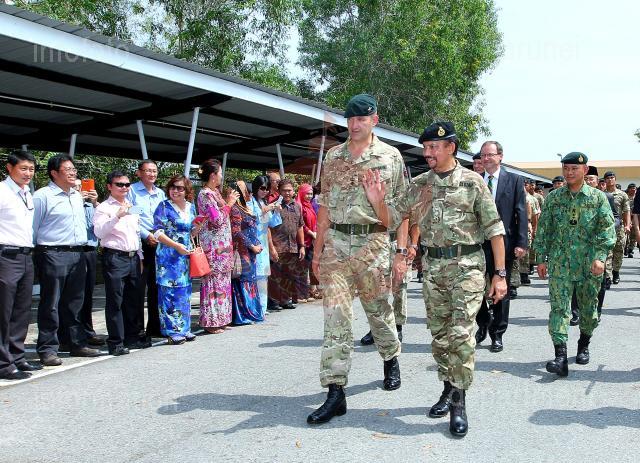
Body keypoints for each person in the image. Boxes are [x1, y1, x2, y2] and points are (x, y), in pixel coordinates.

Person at [362, 121, 506, 438]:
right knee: (440, 337)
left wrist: (500, 274)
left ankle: (459, 403)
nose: (427, 153)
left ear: (450, 148)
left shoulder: (472, 182)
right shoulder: (419, 184)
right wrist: (376, 200)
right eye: (425, 147)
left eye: (433, 147)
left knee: (461, 335)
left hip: (467, 268)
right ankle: (448, 387)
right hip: (433, 269)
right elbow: (392, 217)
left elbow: (495, 230)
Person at [307, 94, 407, 426]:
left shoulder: (390, 157)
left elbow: (401, 212)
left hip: (373, 244)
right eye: (350, 119)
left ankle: (390, 357)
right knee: (335, 317)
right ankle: (335, 390)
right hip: (336, 245)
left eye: (361, 119)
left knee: (379, 311)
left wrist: (401, 253)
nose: (354, 124)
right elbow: (324, 207)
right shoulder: (333, 156)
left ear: (374, 120)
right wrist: (317, 252)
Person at [533, 153, 616, 377]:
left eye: (574, 168)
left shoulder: (597, 198)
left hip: (589, 265)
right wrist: (540, 258)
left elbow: (607, 230)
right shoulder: (554, 198)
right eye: (566, 168)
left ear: (585, 170)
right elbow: (544, 229)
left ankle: (584, 344)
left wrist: (600, 257)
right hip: (560, 264)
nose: (569, 172)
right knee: (559, 309)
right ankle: (560, 357)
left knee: (588, 310)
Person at [33, 155, 101, 366]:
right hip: (53, 253)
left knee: (75, 302)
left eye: (74, 169)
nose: (73, 173)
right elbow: (32, 228)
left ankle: (75, 343)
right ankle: (47, 348)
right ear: (54, 173)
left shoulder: (76, 196)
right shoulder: (42, 196)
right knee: (51, 303)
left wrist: (94, 202)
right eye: (68, 169)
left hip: (77, 253)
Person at [474, 141, 528, 353]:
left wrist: (522, 242)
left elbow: (520, 212)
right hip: (476, 245)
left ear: (500, 156)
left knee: (500, 289)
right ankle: (483, 321)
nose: (486, 158)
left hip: (503, 244)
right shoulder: (475, 180)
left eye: (490, 155)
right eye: (483, 155)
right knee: (474, 288)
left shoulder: (514, 180)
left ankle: (497, 333)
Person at [94, 170, 146, 356]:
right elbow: (99, 232)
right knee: (115, 300)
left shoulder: (131, 206)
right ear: (109, 186)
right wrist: (117, 216)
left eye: (127, 184)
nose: (124, 188)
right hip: (115, 257)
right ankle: (115, 341)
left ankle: (132, 337)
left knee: (133, 299)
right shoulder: (104, 208)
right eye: (119, 184)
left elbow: (136, 233)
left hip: (133, 257)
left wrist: (140, 256)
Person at [0, 150, 41, 380]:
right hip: (5, 255)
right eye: (23, 168)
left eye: (31, 169)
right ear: (9, 168)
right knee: (3, 311)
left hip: (25, 255)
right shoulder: (2, 191)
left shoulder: (26, 193)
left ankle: (16, 356)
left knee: (21, 309)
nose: (28, 173)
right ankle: (3, 364)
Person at [58, 179, 105, 350]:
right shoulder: (69, 205)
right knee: (70, 296)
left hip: (90, 250)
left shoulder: (92, 206)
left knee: (87, 294)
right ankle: (65, 335)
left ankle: (87, 330)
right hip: (72, 250)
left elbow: (100, 225)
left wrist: (95, 202)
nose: (80, 190)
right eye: (75, 188)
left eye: (81, 187)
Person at [570, 166, 618, 324]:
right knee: (576, 278)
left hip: (598, 245)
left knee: (598, 278)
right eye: (587, 178)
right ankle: (576, 313)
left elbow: (616, 217)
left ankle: (597, 310)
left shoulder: (605, 197)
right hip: (578, 246)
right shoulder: (574, 196)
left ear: (598, 182)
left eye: (592, 179)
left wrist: (609, 227)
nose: (589, 181)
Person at [153, 175, 197, 344]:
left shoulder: (191, 207)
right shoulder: (163, 206)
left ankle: (184, 328)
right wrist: (176, 245)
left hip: (185, 256)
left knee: (184, 291)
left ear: (187, 191)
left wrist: (198, 228)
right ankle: (172, 332)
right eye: (172, 187)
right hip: (168, 256)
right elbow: (158, 232)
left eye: (180, 188)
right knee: (169, 292)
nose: (175, 191)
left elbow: (191, 231)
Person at [196, 159, 239, 334]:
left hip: (224, 246)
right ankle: (211, 322)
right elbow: (217, 220)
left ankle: (222, 319)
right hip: (213, 247)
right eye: (220, 173)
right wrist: (229, 203)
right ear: (213, 175)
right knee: (213, 284)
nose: (222, 176)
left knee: (223, 283)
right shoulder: (205, 194)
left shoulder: (216, 192)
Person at [128, 160, 166, 341]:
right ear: (139, 173)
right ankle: (137, 330)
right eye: (148, 171)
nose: (152, 174)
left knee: (156, 286)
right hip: (140, 241)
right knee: (138, 286)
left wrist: (159, 235)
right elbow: (131, 216)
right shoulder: (132, 191)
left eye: (154, 171)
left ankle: (155, 327)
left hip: (159, 240)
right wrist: (146, 235)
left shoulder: (160, 193)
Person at [230, 180, 264, 324]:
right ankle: (243, 314)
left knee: (250, 280)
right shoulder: (235, 209)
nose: (248, 193)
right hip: (243, 251)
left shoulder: (245, 208)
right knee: (243, 280)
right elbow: (236, 232)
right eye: (245, 190)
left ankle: (252, 312)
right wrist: (251, 246)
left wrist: (257, 243)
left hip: (251, 252)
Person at [269, 178, 306, 311]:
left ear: (293, 191)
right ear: (279, 191)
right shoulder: (273, 206)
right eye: (284, 190)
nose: (287, 193)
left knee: (289, 275)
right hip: (278, 246)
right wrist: (272, 248)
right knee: (275, 276)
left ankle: (285, 300)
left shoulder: (297, 206)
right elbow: (268, 227)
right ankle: (274, 301)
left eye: (289, 190)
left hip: (293, 246)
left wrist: (302, 246)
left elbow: (300, 226)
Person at [248, 175, 281, 315]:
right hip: (253, 242)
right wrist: (266, 209)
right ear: (256, 187)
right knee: (254, 276)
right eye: (262, 188)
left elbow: (272, 223)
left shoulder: (263, 202)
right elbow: (250, 217)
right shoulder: (250, 201)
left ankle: (262, 307)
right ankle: (254, 308)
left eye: (267, 189)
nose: (265, 191)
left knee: (263, 276)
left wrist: (276, 211)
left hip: (264, 244)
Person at [603, 171, 630, 284]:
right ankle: (608, 276)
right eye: (608, 178)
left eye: (612, 177)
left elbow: (626, 210)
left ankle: (616, 272)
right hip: (606, 228)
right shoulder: (601, 194)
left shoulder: (622, 195)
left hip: (619, 227)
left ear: (615, 179)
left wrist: (627, 225)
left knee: (619, 250)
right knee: (607, 252)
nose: (610, 180)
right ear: (605, 180)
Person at [297, 183, 318, 302]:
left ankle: (308, 292)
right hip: (302, 241)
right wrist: (311, 233)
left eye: (311, 194)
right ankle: (300, 294)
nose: (309, 196)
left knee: (309, 267)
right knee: (302, 268)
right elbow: (301, 224)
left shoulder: (309, 206)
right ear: (302, 193)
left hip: (310, 241)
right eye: (307, 194)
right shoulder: (299, 206)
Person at [624, 183, 636, 257]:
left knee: (633, 235)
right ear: (628, 189)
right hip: (626, 217)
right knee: (626, 235)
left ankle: (630, 249)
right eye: (631, 188)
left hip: (635, 218)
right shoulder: (625, 197)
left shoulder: (637, 197)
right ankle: (625, 248)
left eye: (634, 188)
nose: (633, 190)